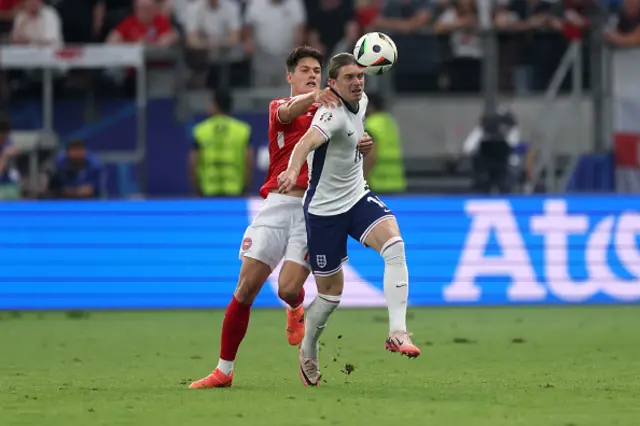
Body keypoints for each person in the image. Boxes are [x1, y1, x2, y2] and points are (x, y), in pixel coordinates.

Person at [189, 46, 347, 389]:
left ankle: (296, 305)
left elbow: (346, 146)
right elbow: (290, 111)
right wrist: (317, 96)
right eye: (304, 70)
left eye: (317, 71)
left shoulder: (332, 114)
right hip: (276, 204)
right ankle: (223, 371)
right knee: (245, 288)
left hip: (312, 210)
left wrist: (360, 142)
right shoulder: (280, 106)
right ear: (290, 76)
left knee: (288, 288)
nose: (311, 75)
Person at [278, 53, 420, 387]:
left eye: (361, 77)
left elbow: (353, 138)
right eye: (348, 79)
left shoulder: (363, 100)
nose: (357, 83)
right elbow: (305, 142)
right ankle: (308, 352)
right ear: (333, 84)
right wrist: (292, 169)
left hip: (356, 197)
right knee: (329, 297)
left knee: (395, 246)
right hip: (325, 212)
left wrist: (363, 141)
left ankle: (397, 332)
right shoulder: (330, 114)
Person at [189, 91, 253, 197]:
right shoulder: (243, 130)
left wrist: (197, 189)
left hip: (208, 190)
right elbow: (249, 162)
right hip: (235, 189)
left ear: (215, 105)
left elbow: (193, 162)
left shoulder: (200, 130)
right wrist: (246, 187)